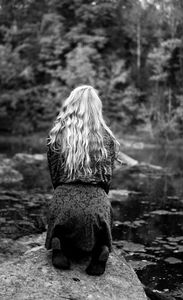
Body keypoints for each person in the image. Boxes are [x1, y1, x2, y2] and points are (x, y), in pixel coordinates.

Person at [45, 85, 120, 276]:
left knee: (61, 221)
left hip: (64, 200)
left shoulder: (57, 134)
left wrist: (65, 192)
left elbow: (56, 178)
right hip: (96, 204)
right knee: (100, 221)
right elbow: (106, 181)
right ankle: (100, 250)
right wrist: (96, 198)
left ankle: (59, 245)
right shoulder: (107, 138)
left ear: (71, 104)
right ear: (97, 108)